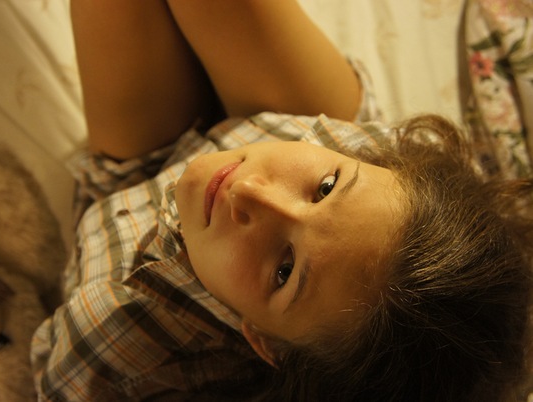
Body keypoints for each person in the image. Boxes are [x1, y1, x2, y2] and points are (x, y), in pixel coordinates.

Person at [31, 1, 533, 401]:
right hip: (282, 120)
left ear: (263, 341)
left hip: (136, 176)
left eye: (285, 270)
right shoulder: (358, 159)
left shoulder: (111, 339)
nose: (249, 192)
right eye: (327, 188)